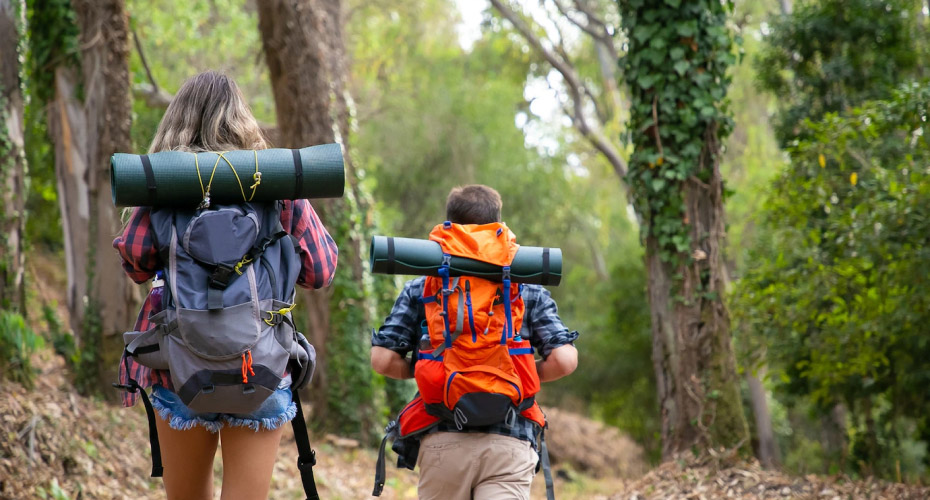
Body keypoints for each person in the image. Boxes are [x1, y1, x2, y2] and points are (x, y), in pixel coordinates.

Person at [112, 71, 338, 500]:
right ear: (242, 119)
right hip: (262, 365)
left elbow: (135, 263)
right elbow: (321, 270)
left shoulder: (165, 184)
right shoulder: (275, 185)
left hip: (179, 367)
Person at [370, 184, 579, 500]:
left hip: (442, 438)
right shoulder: (525, 288)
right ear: (498, 223)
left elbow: (382, 360)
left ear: (449, 225)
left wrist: (432, 367)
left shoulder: (423, 287)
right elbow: (564, 360)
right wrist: (519, 370)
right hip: (511, 439)